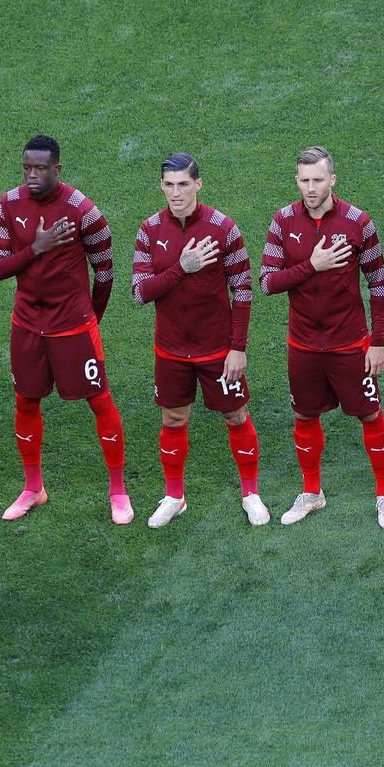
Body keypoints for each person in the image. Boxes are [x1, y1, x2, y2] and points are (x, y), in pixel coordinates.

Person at [0, 134, 132, 524]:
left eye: (40, 168)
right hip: (27, 324)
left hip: (72, 324)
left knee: (99, 400)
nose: (31, 175)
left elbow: (106, 269)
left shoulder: (82, 209)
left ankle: (118, 491)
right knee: (26, 401)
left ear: (57, 169)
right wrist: (36, 248)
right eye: (26, 168)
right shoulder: (8, 203)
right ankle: (33, 488)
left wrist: (90, 317)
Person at [259, 146, 384, 529]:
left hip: (350, 343)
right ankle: (311, 493)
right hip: (303, 344)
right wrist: (311, 266)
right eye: (304, 180)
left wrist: (378, 341)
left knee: (370, 414)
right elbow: (267, 282)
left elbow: (380, 284)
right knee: (304, 414)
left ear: (332, 179)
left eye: (318, 179)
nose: (311, 187)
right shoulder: (282, 221)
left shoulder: (358, 221)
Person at [131, 152, 268, 527]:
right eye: (169, 185)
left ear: (198, 185)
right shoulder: (149, 230)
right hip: (171, 350)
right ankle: (175, 497)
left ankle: (251, 493)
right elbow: (140, 293)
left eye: (184, 184)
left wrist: (238, 348)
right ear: (161, 186)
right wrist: (182, 268)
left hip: (217, 350)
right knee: (173, 419)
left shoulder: (224, 229)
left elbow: (243, 291)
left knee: (236, 415)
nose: (176, 193)